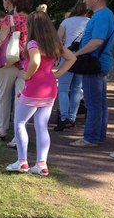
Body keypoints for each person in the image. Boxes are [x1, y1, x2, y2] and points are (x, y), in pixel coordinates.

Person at [6, 11, 76, 175]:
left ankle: (22, 161)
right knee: (41, 126)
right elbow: (72, 58)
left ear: (32, 26)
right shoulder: (54, 43)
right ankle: (41, 164)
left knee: (20, 123)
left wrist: (28, 75)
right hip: (50, 88)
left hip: (34, 88)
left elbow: (35, 61)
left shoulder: (32, 43)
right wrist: (57, 74)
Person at [70, 0, 114, 147]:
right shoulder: (107, 14)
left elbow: (96, 41)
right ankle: (98, 135)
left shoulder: (102, 16)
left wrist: (76, 54)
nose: (85, 1)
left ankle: (90, 138)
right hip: (100, 63)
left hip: (93, 64)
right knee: (99, 103)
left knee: (92, 103)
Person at [0, 0, 32, 143]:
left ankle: (3, 129)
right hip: (26, 62)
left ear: (13, 3)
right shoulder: (33, 20)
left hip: (8, 62)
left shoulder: (9, 19)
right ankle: (18, 135)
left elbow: (0, 40)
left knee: (4, 96)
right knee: (21, 99)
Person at [55, 0, 90, 131]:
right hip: (82, 56)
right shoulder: (90, 22)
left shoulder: (66, 22)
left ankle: (63, 117)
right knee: (76, 89)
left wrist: (61, 51)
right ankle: (72, 118)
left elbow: (58, 39)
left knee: (63, 89)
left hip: (68, 56)